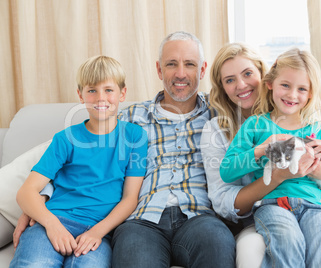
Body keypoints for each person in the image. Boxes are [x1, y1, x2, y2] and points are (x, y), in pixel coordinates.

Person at [201, 43, 321, 268]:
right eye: (229, 79)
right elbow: (227, 173)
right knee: (287, 242)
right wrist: (264, 151)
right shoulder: (253, 126)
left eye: (248, 74)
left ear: (263, 77)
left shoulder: (317, 127)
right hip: (273, 205)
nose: (241, 84)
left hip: (317, 205)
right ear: (272, 84)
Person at [111, 31, 236, 267]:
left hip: (200, 218)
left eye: (189, 64)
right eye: (171, 64)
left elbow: (268, 120)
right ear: (159, 70)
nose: (180, 73)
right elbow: (84, 156)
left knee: (217, 242)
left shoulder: (220, 112)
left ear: (202, 70)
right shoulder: (130, 117)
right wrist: (41, 199)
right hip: (142, 221)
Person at [10, 55, 148, 267]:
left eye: (108, 90)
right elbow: (26, 192)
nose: (101, 98)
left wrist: (96, 233)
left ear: (123, 93)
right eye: (92, 90)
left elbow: (130, 199)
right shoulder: (66, 138)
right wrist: (51, 224)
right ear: (80, 95)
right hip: (53, 222)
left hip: (99, 232)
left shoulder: (134, 137)